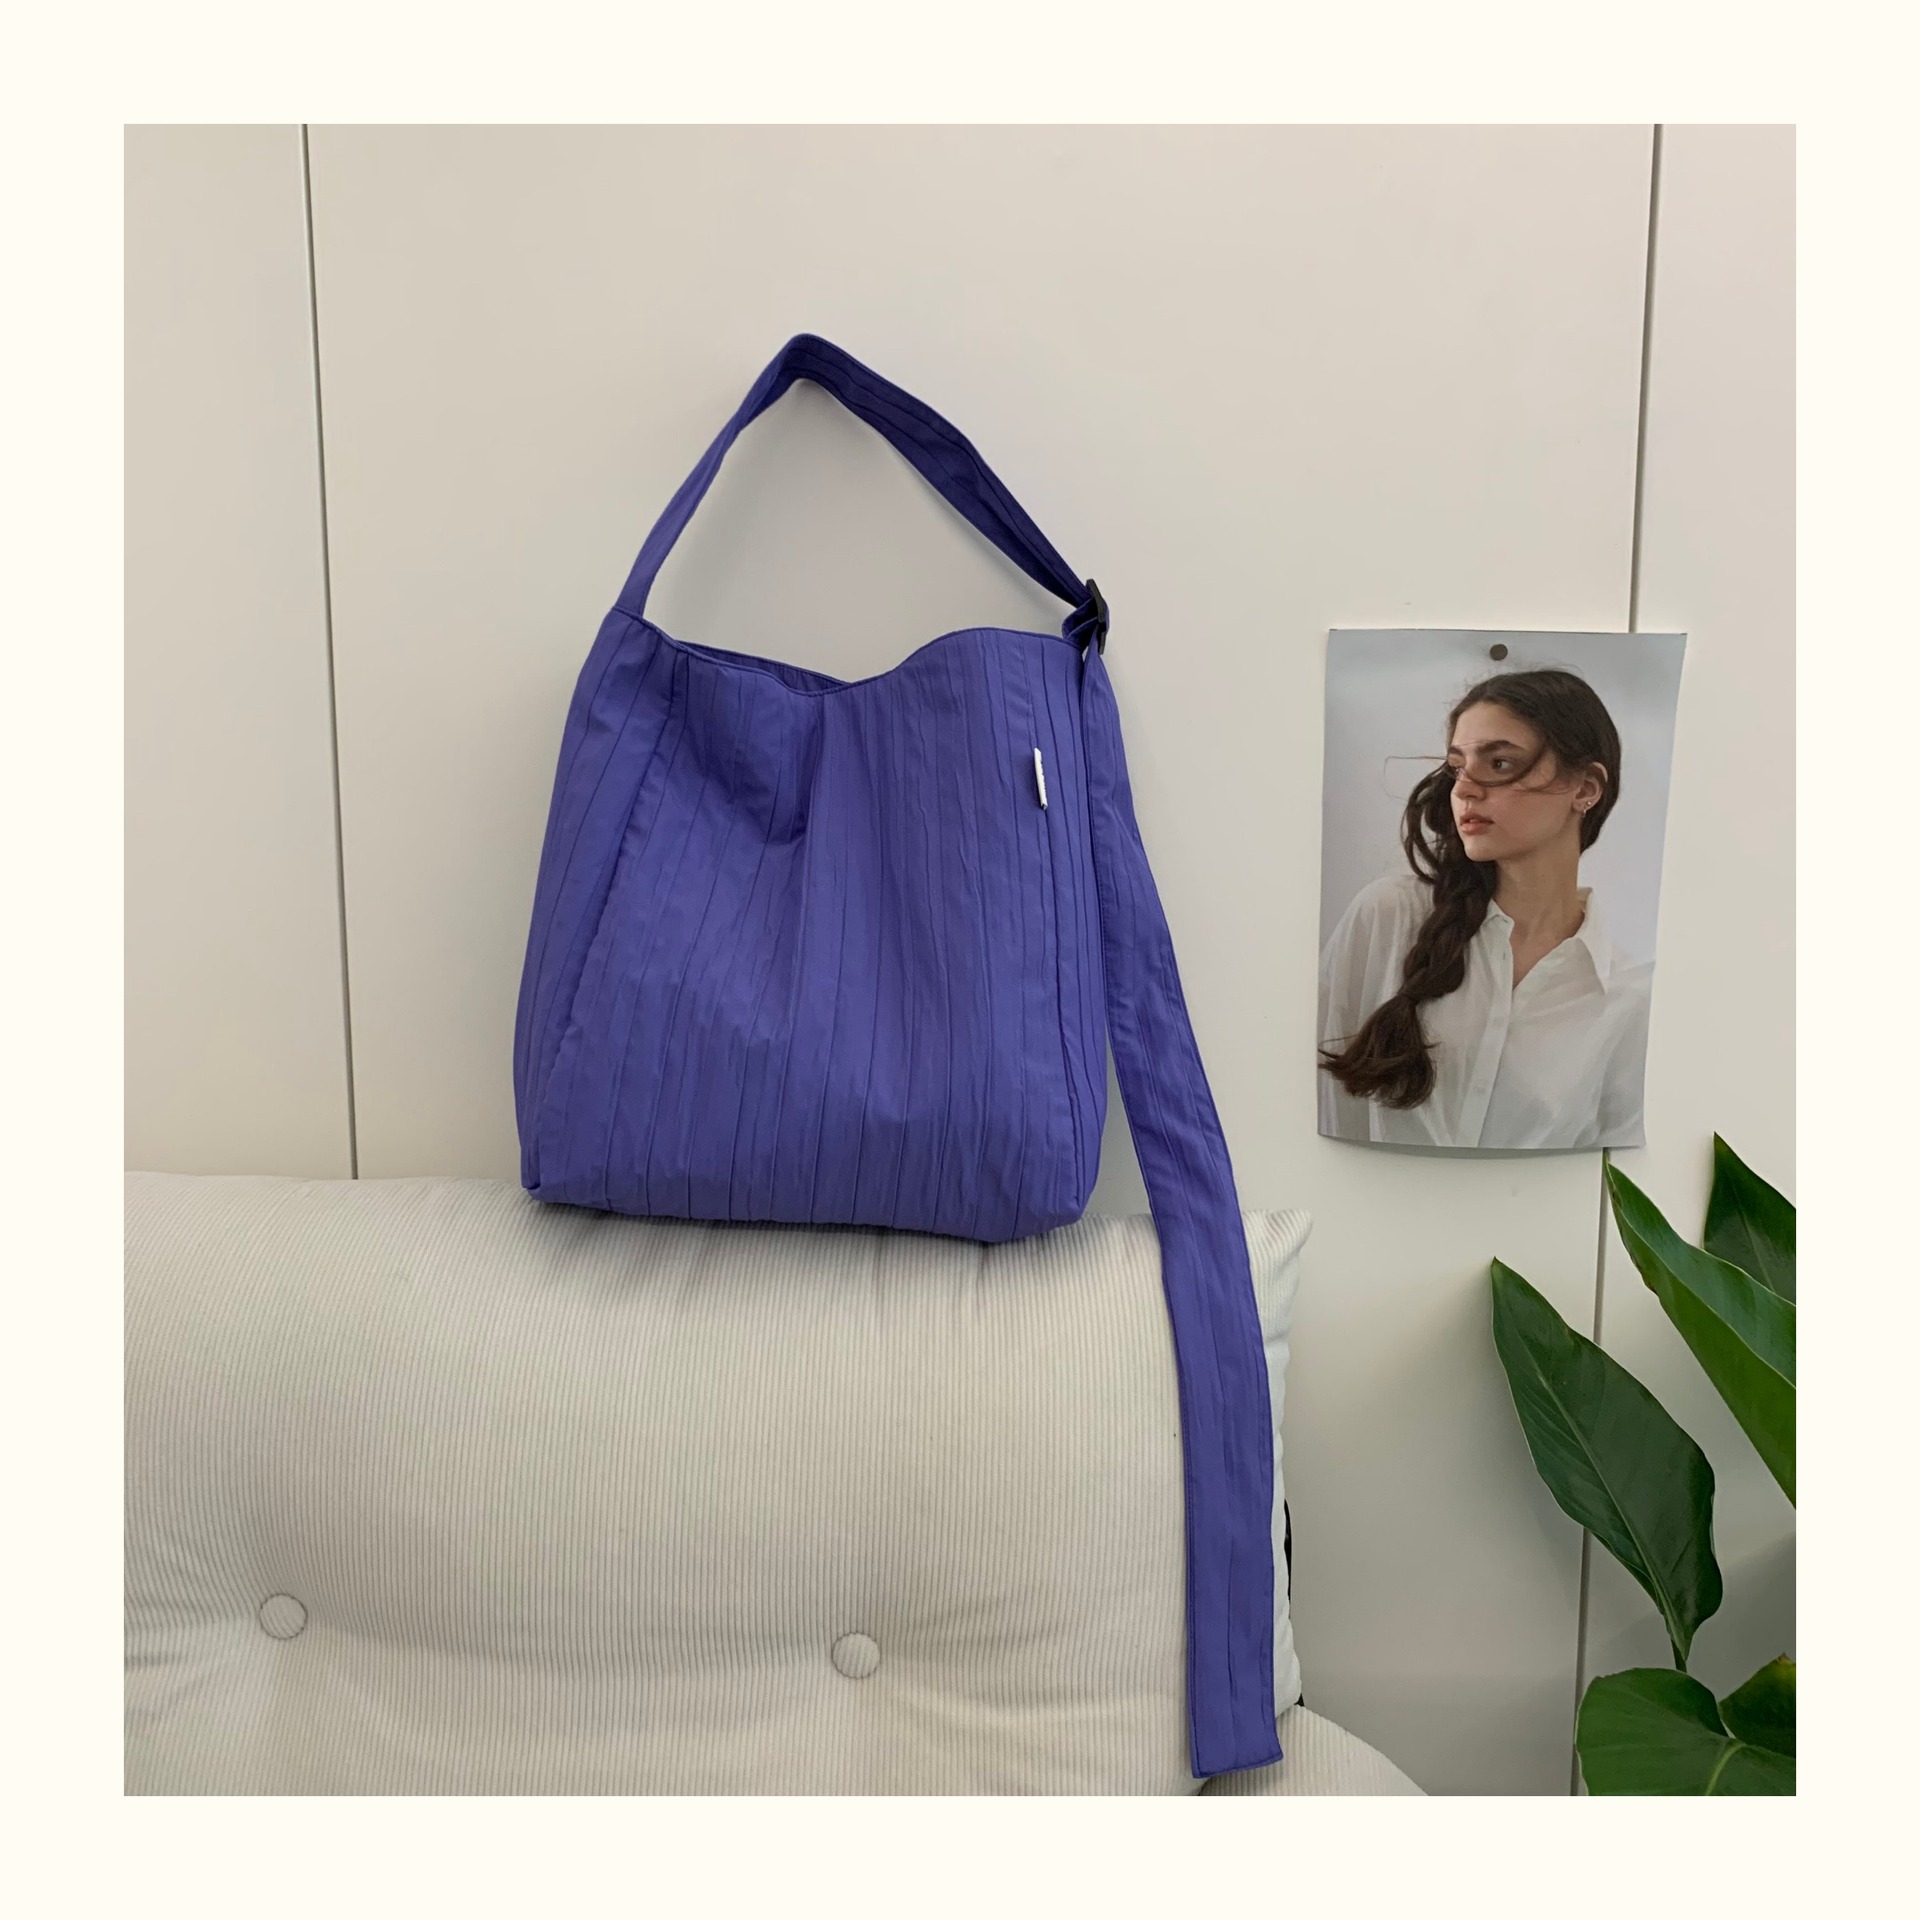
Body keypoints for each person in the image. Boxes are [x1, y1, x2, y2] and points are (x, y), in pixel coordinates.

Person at [1318, 667, 1652, 1150]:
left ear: (1585, 788)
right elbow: (1321, 1102)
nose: (1464, 790)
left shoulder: (1629, 997)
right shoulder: (1388, 915)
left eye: (1499, 763)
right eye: (1457, 767)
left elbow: (1609, 1166)